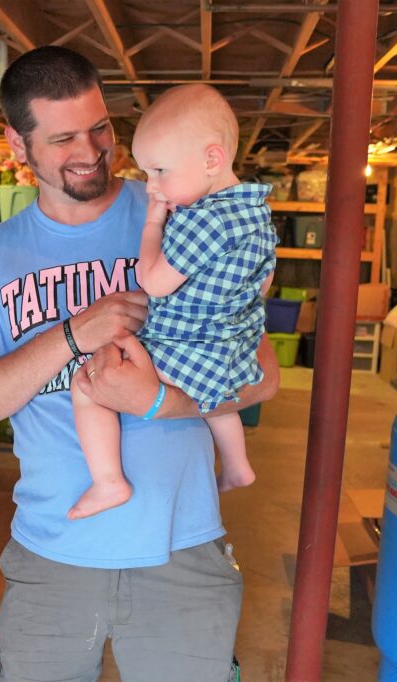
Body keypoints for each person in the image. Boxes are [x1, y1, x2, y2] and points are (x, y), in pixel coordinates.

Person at [0, 46, 279, 681]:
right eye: (64, 137)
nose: (92, 149)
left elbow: (262, 375)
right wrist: (75, 333)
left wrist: (157, 402)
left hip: (181, 550)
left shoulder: (185, 208)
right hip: (51, 554)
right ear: (18, 144)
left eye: (100, 127)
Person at [68, 84, 277, 520]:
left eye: (160, 171)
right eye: (148, 173)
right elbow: (263, 282)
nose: (152, 185)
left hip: (187, 345)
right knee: (214, 397)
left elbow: (154, 281)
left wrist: (152, 223)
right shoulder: (256, 211)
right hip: (230, 348)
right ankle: (238, 466)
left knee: (88, 381)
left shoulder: (200, 220)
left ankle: (108, 482)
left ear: (212, 160)